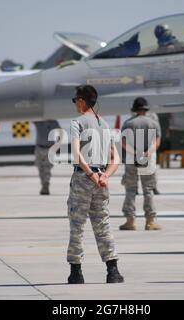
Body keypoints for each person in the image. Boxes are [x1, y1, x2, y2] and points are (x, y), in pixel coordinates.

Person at [67, 85, 124, 284]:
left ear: (82, 100)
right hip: (101, 180)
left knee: (77, 225)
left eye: (75, 100)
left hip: (84, 177)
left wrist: (91, 174)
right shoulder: (105, 124)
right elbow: (115, 158)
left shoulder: (77, 123)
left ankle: (76, 272)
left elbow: (76, 153)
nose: (75, 104)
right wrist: (104, 176)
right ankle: (113, 271)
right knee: (102, 224)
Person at [119, 97, 162, 231]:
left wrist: (136, 153)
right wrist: (147, 153)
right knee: (148, 190)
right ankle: (150, 221)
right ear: (146, 109)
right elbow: (157, 141)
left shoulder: (128, 123)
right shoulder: (153, 122)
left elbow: (124, 142)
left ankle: (130, 221)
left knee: (131, 190)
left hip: (132, 159)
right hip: (148, 160)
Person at [34, 120, 61, 195]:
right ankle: (43, 184)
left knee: (47, 168)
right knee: (40, 167)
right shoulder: (39, 121)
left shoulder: (53, 122)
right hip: (39, 148)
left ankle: (45, 185)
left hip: (49, 148)